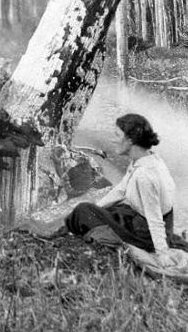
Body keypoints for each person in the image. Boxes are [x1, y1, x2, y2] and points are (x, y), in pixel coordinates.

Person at [65, 113, 176, 267]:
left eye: (117, 135)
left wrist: (162, 253)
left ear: (130, 140)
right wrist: (97, 208)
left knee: (82, 210)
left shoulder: (144, 175)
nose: (113, 139)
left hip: (146, 235)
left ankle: (116, 244)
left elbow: (154, 218)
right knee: (107, 209)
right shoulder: (148, 159)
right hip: (145, 223)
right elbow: (121, 191)